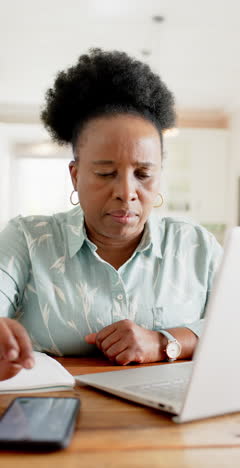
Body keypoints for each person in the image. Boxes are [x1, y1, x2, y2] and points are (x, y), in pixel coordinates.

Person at [0, 48, 222, 379]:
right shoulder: (28, 239)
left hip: (169, 421)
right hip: (52, 410)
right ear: (75, 175)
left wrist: (164, 343)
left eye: (144, 174)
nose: (126, 192)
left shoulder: (195, 246)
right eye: (106, 173)